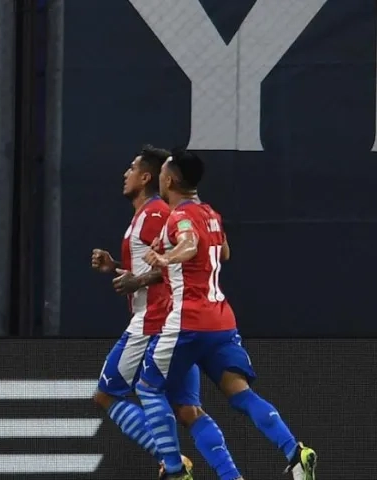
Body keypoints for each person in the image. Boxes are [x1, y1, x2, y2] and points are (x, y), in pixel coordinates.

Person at [136, 149, 317, 480]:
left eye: (162, 172)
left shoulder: (181, 216)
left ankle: (176, 470)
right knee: (240, 394)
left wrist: (166, 258)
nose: (160, 178)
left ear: (170, 179)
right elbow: (224, 251)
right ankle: (295, 452)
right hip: (221, 321)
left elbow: (189, 245)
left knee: (148, 388)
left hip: (186, 323)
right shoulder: (211, 214)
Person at [91, 146, 239, 478]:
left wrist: (138, 280)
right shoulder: (146, 215)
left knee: (107, 393)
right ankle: (230, 475)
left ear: (147, 177)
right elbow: (147, 268)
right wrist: (114, 267)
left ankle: (172, 463)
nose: (124, 174)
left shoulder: (158, 212)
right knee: (188, 409)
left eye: (131, 168)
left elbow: (173, 265)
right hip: (172, 319)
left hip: (154, 321)